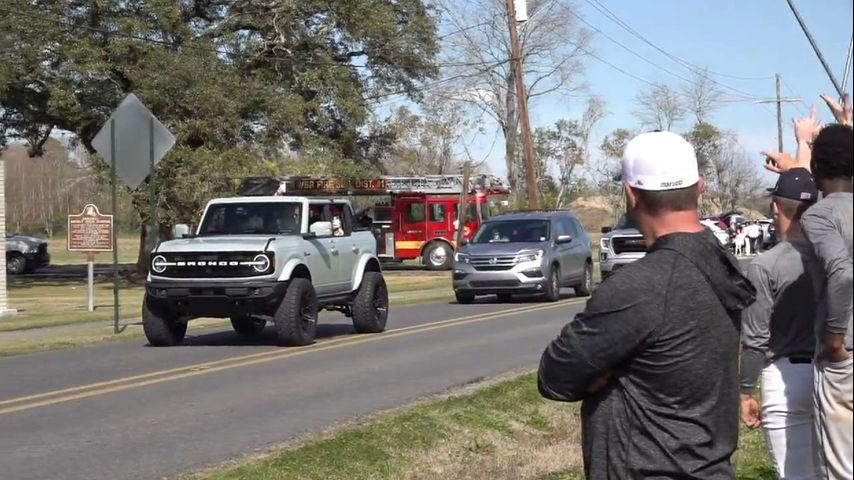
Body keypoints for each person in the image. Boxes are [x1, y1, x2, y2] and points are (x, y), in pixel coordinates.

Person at [537, 131, 755, 478]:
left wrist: (608, 372)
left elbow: (555, 375)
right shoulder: (721, 263)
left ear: (631, 193)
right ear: (700, 187)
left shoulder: (639, 287)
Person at [763, 95, 853, 480]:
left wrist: (834, 339)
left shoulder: (819, 215)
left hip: (842, 358)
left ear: (816, 169)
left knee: (841, 467)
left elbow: (843, 272)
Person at [739, 168, 823, 479]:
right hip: (833, 372)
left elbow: (755, 337)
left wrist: (746, 390)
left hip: (785, 376)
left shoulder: (766, 264)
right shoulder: (832, 257)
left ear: (775, 207)